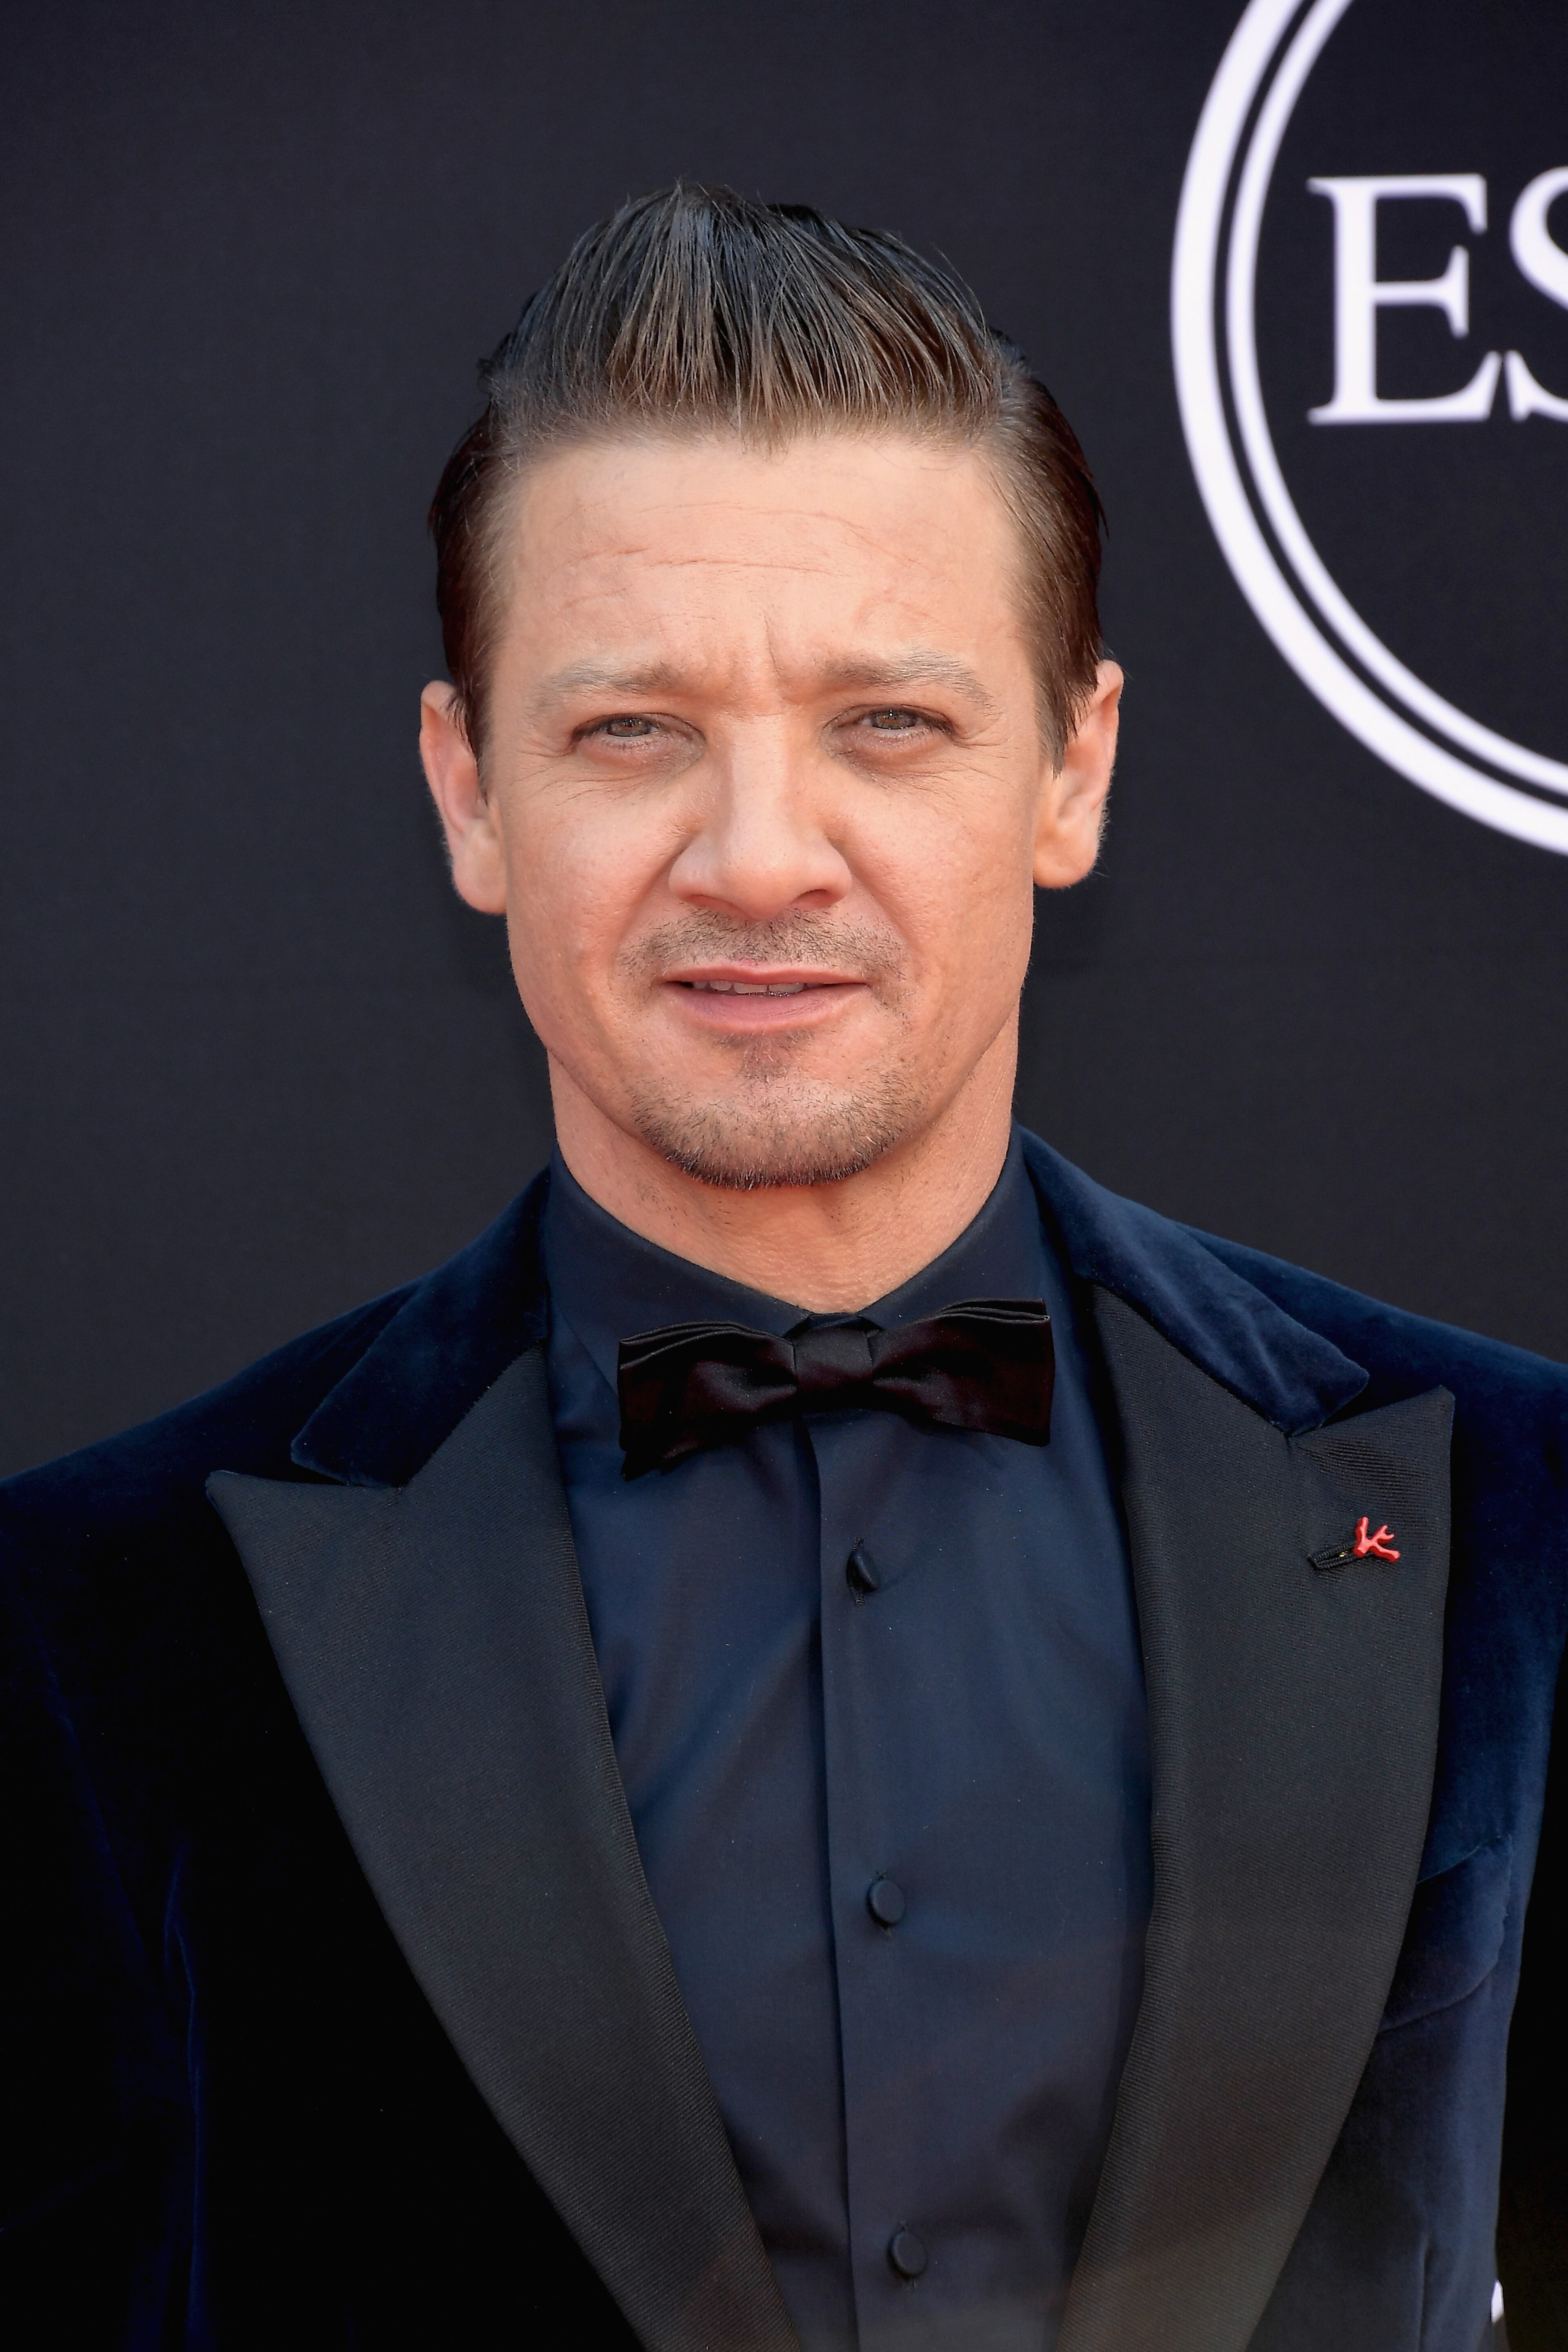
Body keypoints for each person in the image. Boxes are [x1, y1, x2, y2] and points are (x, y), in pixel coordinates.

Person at [2, 183, 1563, 2352]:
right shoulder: (96, 1617)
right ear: (469, 793)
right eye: (631, 730)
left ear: (1072, 766)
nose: (756, 857)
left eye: (887, 726)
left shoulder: (1516, 1497)